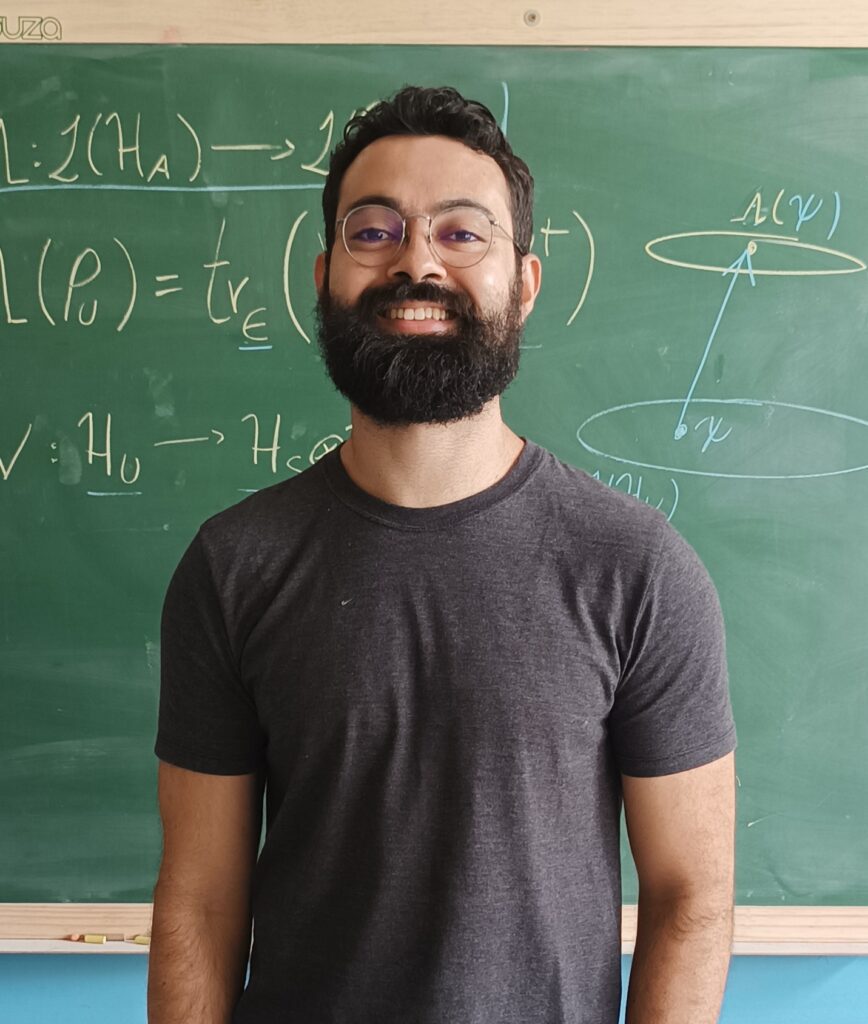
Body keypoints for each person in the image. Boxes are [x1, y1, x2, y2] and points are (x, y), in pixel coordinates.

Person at [149, 85, 736, 1024]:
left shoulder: (638, 569)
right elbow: (200, 903)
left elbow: (691, 901)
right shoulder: (235, 566)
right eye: (373, 231)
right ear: (324, 276)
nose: (416, 261)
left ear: (525, 281)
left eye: (462, 234)